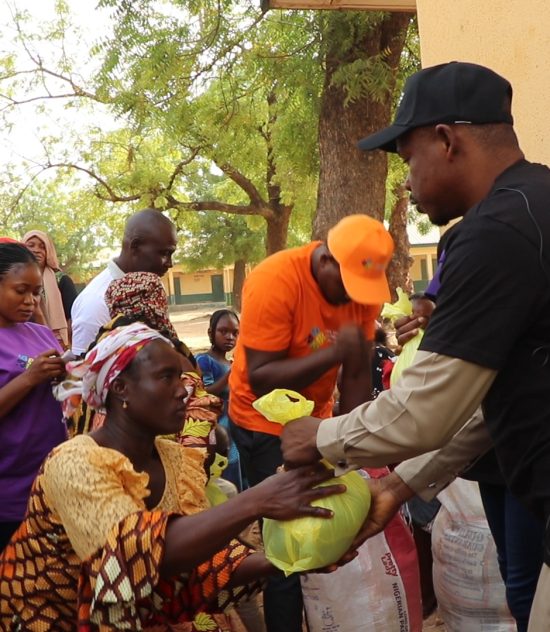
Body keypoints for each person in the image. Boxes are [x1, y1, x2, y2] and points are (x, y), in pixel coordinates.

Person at [279, 61, 550, 632]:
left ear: (447, 140)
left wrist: (320, 437)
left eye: (407, 159)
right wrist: (399, 485)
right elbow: (480, 405)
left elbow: (426, 410)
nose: (407, 181)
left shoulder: (495, 231)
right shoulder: (536, 202)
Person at [0, 322, 344, 630]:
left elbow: (196, 561)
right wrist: (258, 499)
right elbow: (134, 555)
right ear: (120, 389)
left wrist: (293, 559)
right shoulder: (75, 464)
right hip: (46, 620)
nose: (184, 391)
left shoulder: (175, 462)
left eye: (181, 378)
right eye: (166, 377)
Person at [229, 213, 393, 632]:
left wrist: (349, 446)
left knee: (328, 526)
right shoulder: (275, 281)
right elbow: (261, 375)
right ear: (325, 260)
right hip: (263, 420)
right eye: (349, 285)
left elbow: (355, 375)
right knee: (290, 539)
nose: (357, 298)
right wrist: (335, 353)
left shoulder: (361, 289)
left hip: (316, 420)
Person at [0, 242, 66, 551]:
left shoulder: (39, 333)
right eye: (20, 291)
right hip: (10, 492)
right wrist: (29, 378)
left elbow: (66, 390)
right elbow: (31, 377)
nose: (30, 301)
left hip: (52, 481)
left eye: (36, 292)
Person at [70, 208, 177, 356]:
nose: (170, 263)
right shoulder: (95, 302)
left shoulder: (151, 286)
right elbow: (85, 371)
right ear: (135, 246)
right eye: (164, 253)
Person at [197, 310, 243, 490]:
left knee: (238, 467)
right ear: (210, 333)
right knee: (227, 470)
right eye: (223, 332)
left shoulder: (229, 363)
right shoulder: (204, 361)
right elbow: (205, 393)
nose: (229, 337)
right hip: (218, 428)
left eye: (235, 333)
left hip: (234, 426)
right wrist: (232, 373)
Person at [23, 230, 78, 348]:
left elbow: (73, 315)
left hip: (57, 343)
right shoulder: (12, 280)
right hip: (24, 341)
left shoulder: (61, 280)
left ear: (48, 252)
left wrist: (64, 343)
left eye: (42, 247)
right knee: (25, 365)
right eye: (31, 245)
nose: (36, 250)